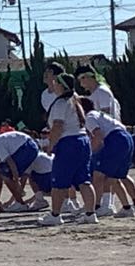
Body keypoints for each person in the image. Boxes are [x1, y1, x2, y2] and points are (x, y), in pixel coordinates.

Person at [38, 74, 98, 227]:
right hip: (82, 140)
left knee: (58, 181)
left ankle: (55, 215)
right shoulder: (75, 100)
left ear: (61, 85)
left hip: (68, 143)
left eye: (56, 82)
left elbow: (58, 125)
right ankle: (90, 213)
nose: (53, 84)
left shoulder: (61, 103)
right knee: (84, 180)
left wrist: (51, 145)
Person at [78, 97, 135, 217]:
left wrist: (90, 154)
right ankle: (129, 206)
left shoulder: (89, 117)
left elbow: (98, 137)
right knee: (114, 177)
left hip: (115, 140)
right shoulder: (98, 114)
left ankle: (97, 207)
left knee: (98, 175)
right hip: (126, 138)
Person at [0, 131, 39, 215]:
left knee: (3, 172)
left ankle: (20, 203)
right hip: (25, 147)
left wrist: (16, 181)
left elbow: (10, 162)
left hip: (27, 146)